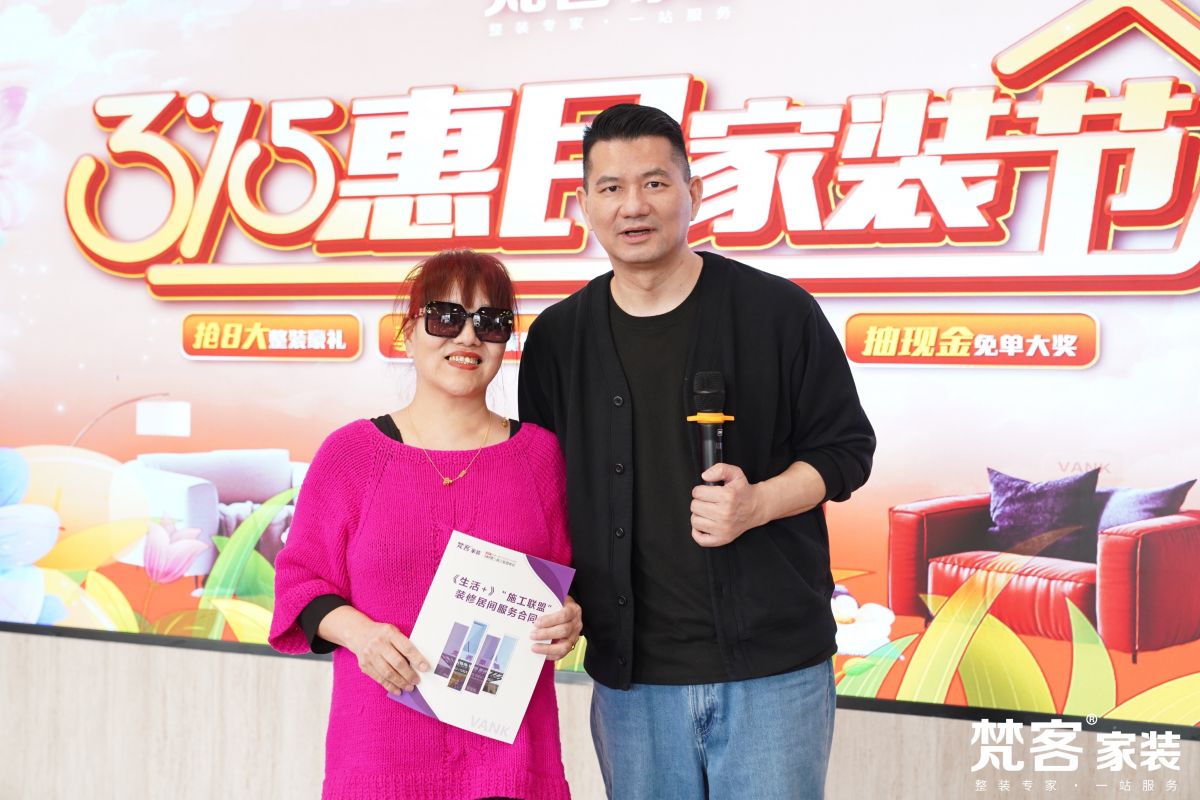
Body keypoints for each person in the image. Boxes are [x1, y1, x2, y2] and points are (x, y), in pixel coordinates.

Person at [517, 104, 876, 800]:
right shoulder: (560, 339)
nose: (633, 206)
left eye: (654, 183)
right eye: (611, 187)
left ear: (693, 193)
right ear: (584, 205)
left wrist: (759, 503)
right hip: (633, 683)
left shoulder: (777, 312)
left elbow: (846, 449)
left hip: (772, 671)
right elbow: (545, 490)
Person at [270, 250, 582, 800]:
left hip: (510, 763)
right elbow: (301, 583)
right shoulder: (351, 455)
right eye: (446, 317)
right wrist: (361, 635)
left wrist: (572, 618)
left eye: (491, 322)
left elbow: (572, 584)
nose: (469, 337)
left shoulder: (542, 458)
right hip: (379, 757)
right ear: (409, 332)